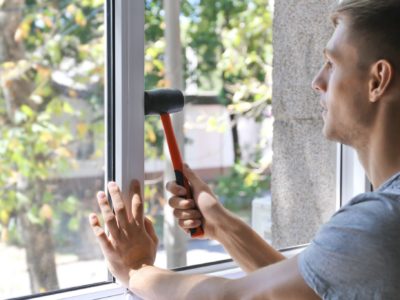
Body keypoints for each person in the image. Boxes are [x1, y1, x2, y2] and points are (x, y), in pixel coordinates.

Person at [88, 0, 400, 299]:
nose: (317, 82)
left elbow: (235, 298)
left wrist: (136, 269)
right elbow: (300, 293)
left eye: (332, 64)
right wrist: (220, 223)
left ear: (378, 80)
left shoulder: (377, 223)